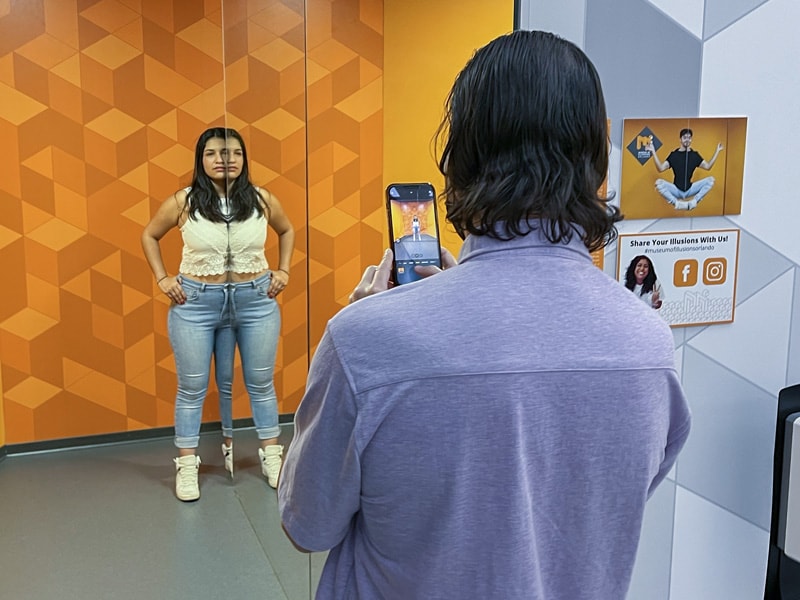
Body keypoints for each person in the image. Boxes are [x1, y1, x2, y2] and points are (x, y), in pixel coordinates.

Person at [278, 30, 691, 599]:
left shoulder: (366, 340)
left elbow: (307, 524)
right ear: (595, 160)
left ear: (461, 157)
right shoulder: (650, 345)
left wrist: (379, 328)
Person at [141, 127, 295, 501]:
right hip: (195, 304)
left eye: (232, 153)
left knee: (260, 383)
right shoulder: (183, 201)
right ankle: (188, 466)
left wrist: (284, 269)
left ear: (243, 159)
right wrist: (163, 278)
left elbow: (287, 229)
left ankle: (272, 458)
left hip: (255, 300)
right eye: (213, 153)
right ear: (201, 159)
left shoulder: (261, 199)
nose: (224, 159)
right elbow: (149, 235)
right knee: (192, 388)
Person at [646, 129, 724, 210]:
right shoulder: (674, 155)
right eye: (685, 137)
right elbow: (660, 168)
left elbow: (708, 167)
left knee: (710, 180)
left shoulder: (694, 155)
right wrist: (653, 152)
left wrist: (717, 151)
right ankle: (677, 203)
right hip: (676, 189)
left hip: (690, 189)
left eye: (689, 138)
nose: (687, 139)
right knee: (659, 183)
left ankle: (694, 202)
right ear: (680, 139)